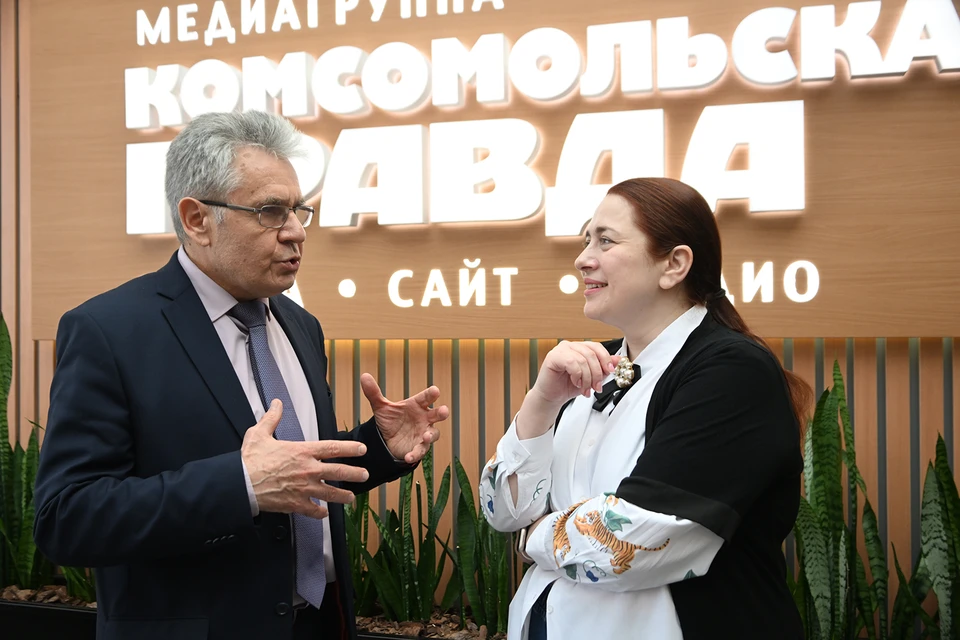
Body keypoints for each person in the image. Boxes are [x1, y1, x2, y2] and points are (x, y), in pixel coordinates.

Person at [32, 110, 448, 640]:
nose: (297, 231)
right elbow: (66, 518)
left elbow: (293, 473)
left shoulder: (300, 324)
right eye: (271, 211)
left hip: (319, 624)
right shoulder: (109, 331)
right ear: (197, 220)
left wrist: (378, 447)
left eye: (298, 210)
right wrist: (241, 485)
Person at [480, 177, 812, 639]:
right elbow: (501, 509)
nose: (583, 258)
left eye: (605, 240)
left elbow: (634, 540)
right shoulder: (593, 365)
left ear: (674, 264)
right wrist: (542, 400)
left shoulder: (732, 371)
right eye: (586, 239)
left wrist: (534, 536)